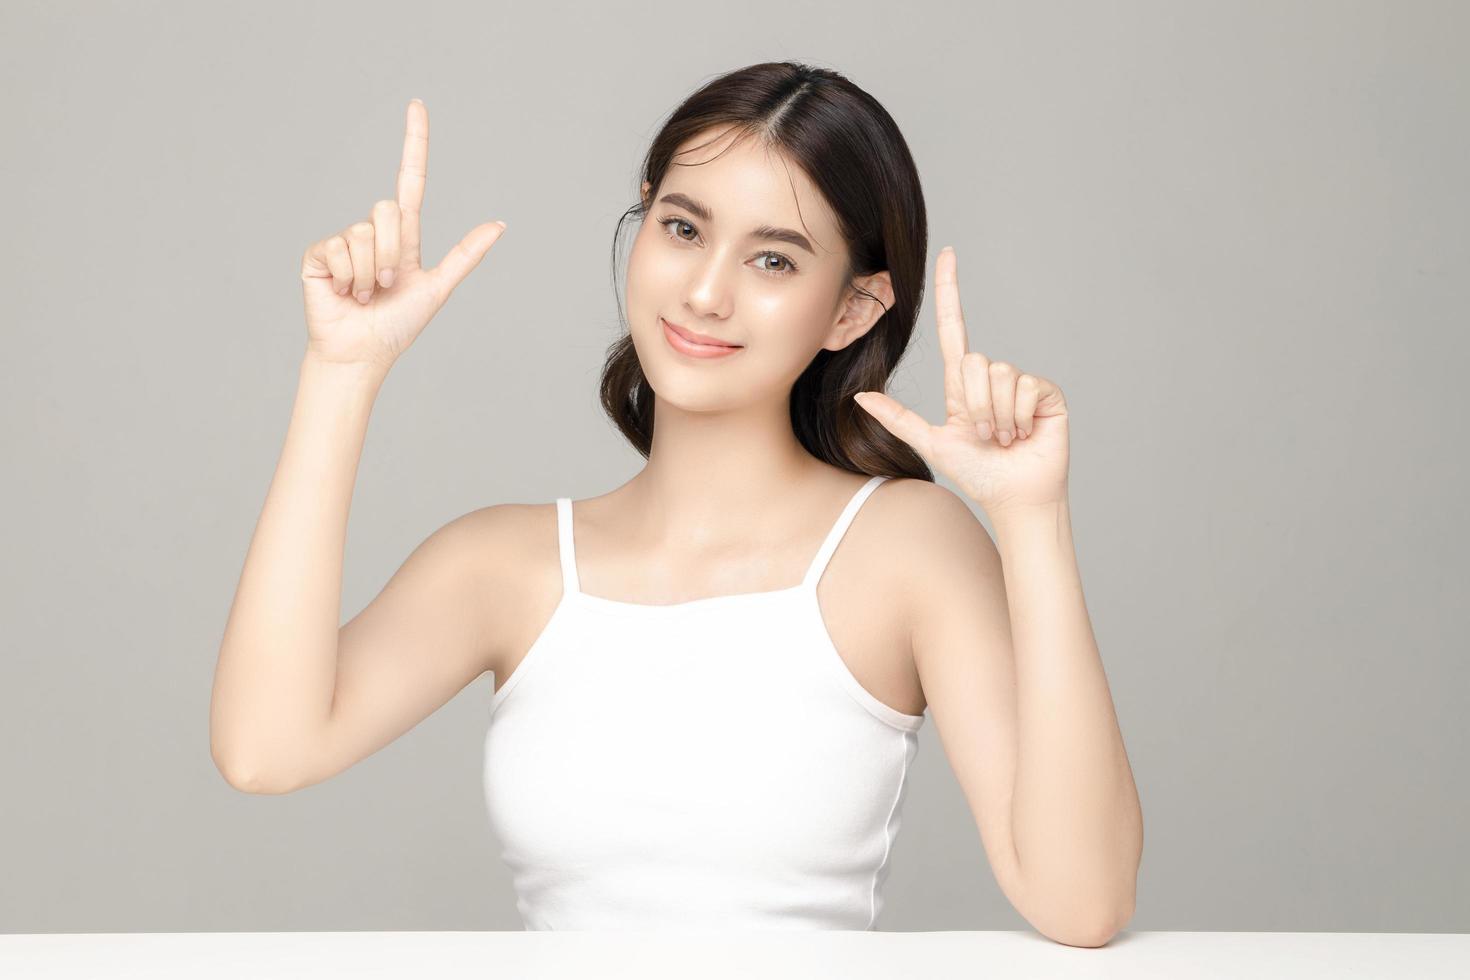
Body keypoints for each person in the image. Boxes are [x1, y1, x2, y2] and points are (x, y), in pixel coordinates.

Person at [209, 62, 1141, 944]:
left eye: (773, 261)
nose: (703, 293)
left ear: (851, 312)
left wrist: (1031, 523)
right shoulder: (504, 566)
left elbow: (1082, 900)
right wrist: (341, 372)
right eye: (682, 229)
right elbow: (264, 748)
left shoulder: (904, 548)